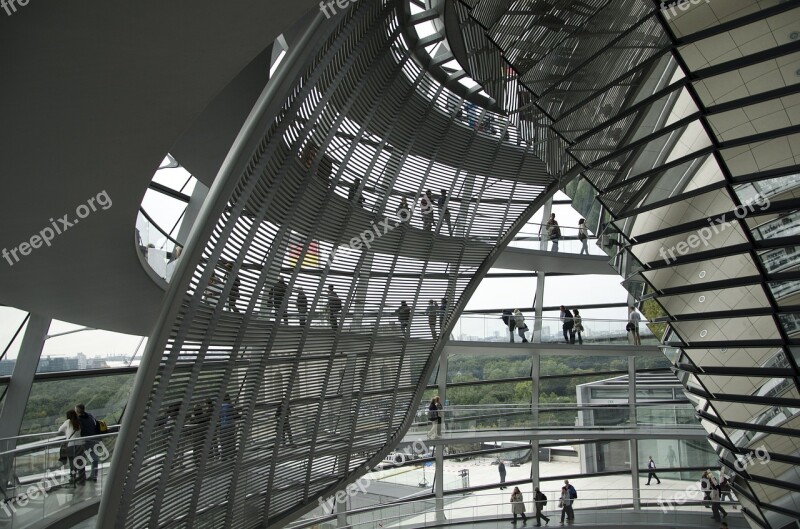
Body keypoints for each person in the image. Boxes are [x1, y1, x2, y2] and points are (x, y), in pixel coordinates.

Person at [75, 404, 99, 481]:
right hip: (94, 438)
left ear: (77, 411)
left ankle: (82, 477)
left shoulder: (78, 419)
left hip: (85, 440)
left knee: (81, 459)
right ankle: (94, 475)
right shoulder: (90, 415)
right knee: (94, 458)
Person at [58, 410, 82, 486]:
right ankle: (81, 478)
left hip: (71, 445)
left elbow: (59, 430)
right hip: (79, 444)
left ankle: (73, 478)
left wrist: (66, 430)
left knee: (72, 463)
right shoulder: (79, 421)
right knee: (79, 462)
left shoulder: (68, 422)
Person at [219, 394, 240, 459]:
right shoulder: (230, 406)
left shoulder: (220, 407)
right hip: (230, 426)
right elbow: (236, 415)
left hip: (222, 426)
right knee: (231, 441)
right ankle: (231, 455)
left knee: (223, 442)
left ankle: (224, 455)